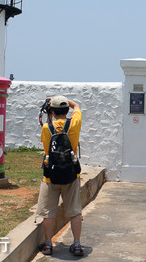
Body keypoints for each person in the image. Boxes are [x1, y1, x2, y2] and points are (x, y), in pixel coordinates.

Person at [35, 95, 84, 257]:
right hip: (71, 174)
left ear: (52, 111)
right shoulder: (74, 123)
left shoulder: (46, 128)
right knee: (75, 211)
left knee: (48, 212)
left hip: (51, 175)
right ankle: (76, 245)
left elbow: (47, 147)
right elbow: (77, 106)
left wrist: (49, 114)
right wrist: (67, 101)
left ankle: (48, 244)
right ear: (66, 110)